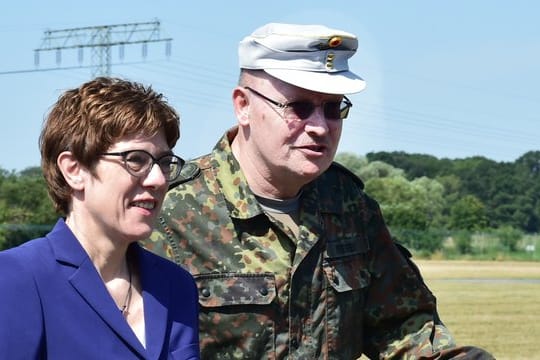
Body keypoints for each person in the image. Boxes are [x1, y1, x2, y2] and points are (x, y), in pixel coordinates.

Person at [143, 23, 494, 359]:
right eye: (299, 108)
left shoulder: (348, 206)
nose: (320, 128)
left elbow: (402, 327)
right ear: (243, 106)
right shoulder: (169, 210)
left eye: (333, 109)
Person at [0, 77, 200, 359]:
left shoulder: (176, 286)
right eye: (136, 159)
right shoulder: (15, 280)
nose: (157, 179)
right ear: (74, 170)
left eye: (165, 163)